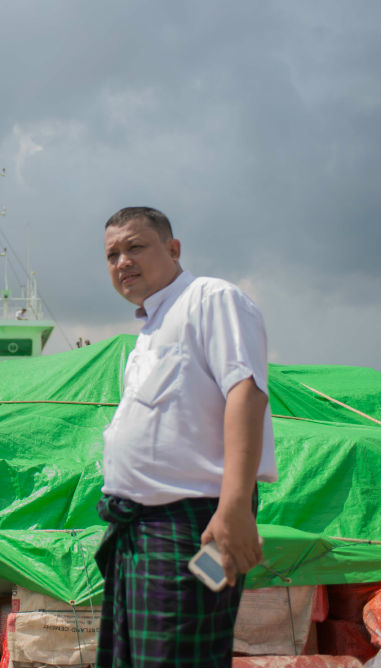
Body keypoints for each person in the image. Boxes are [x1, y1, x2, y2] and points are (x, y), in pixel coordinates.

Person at [96, 206, 278, 668]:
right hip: (138, 532)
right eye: (113, 255)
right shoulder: (151, 330)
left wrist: (234, 507)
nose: (123, 262)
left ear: (173, 249)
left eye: (135, 247)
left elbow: (246, 392)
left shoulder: (211, 298)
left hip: (191, 525)